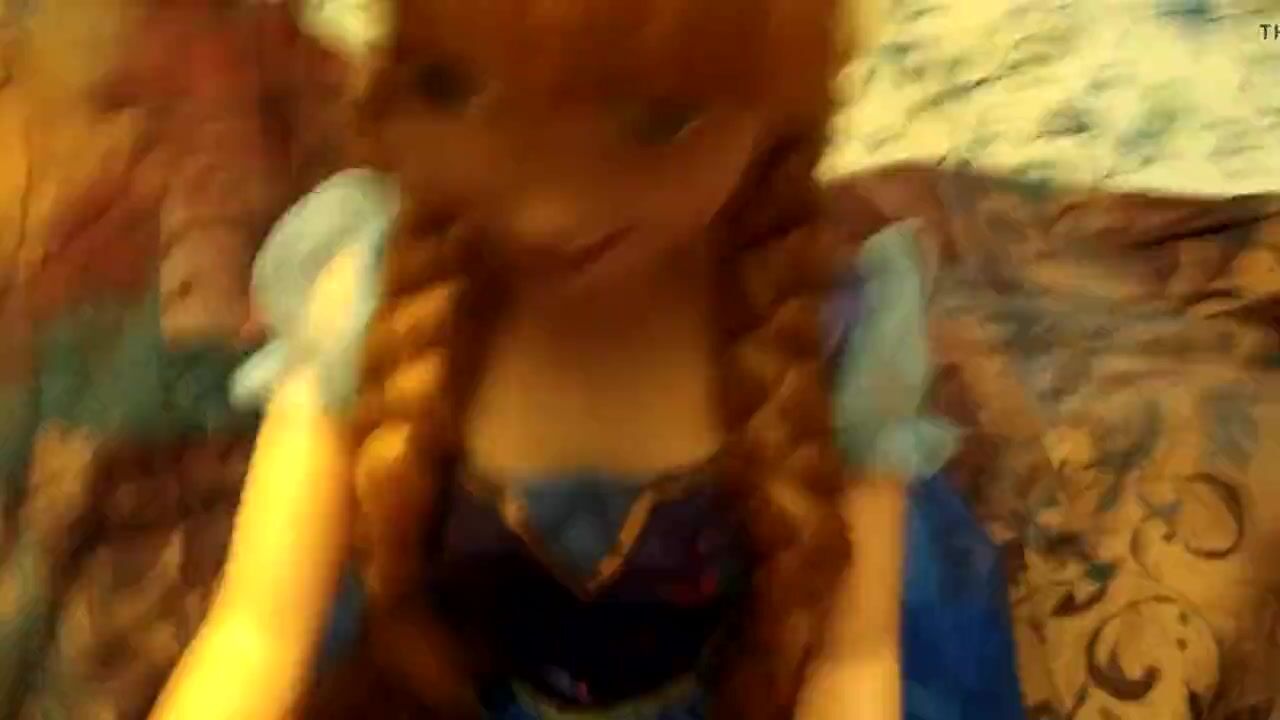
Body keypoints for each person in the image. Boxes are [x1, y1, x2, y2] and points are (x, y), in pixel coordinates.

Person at [151, 1, 1025, 718]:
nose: (553, 209)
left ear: (782, 111)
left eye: (660, 122)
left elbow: (849, 665)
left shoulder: (835, 336)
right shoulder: (366, 295)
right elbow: (257, 631)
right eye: (456, 88)